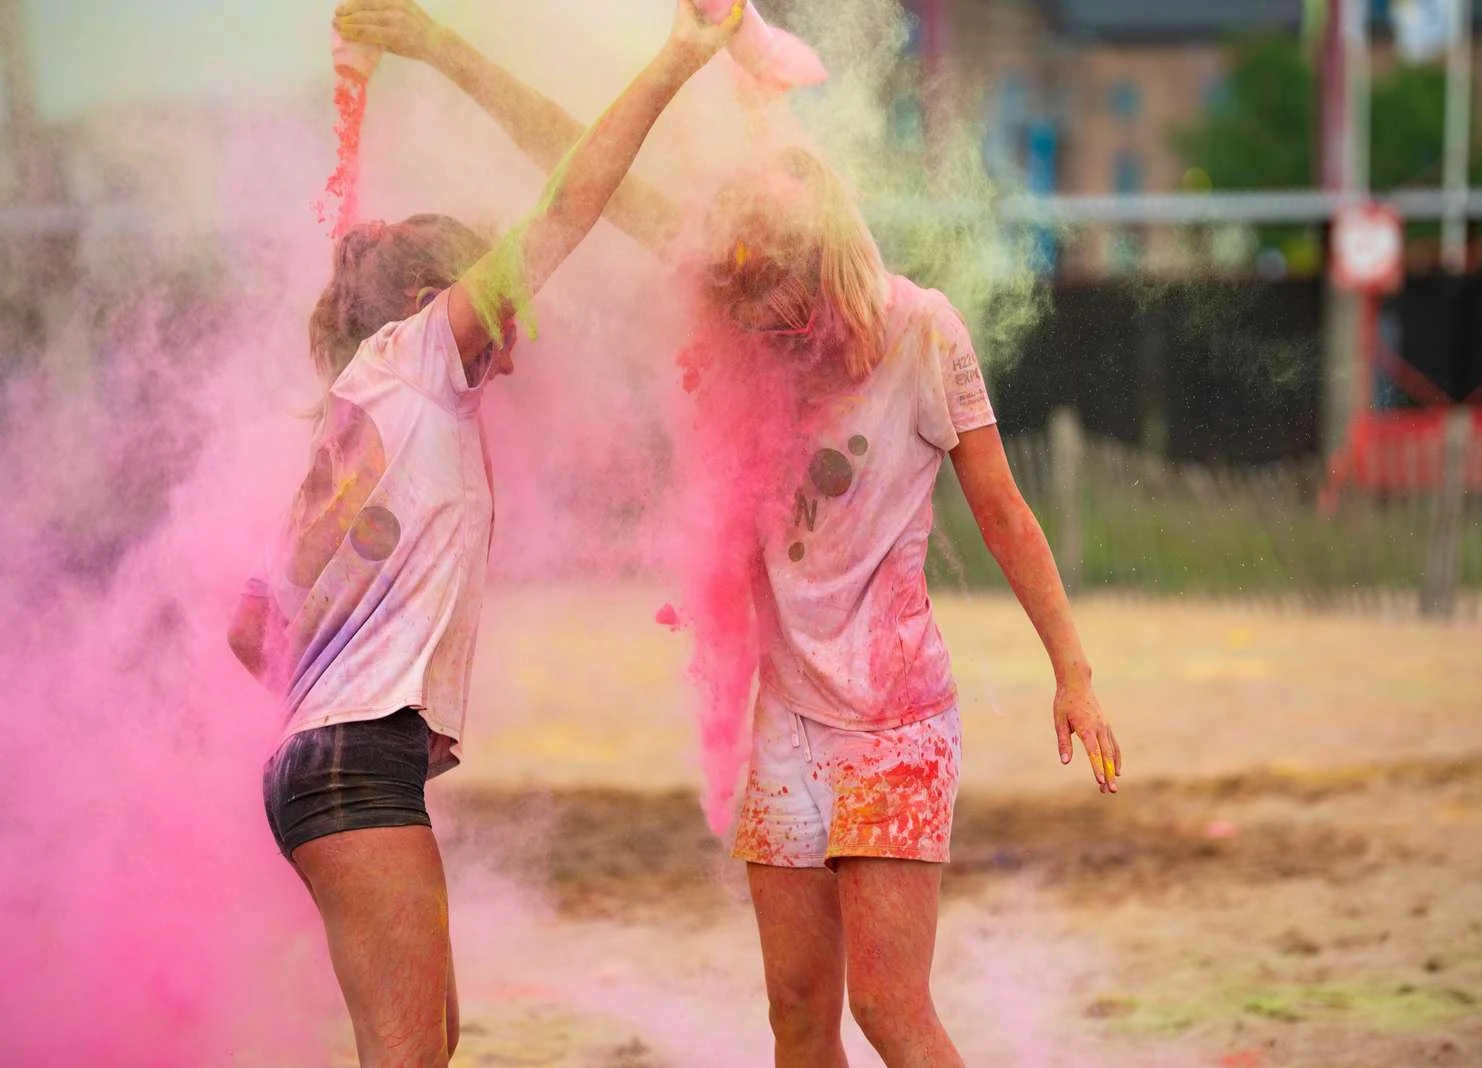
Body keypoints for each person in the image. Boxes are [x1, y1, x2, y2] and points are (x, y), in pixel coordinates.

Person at [337, 7, 1120, 1068]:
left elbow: (1003, 513)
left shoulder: (921, 331)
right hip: (785, 724)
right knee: (796, 1016)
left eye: (782, 313)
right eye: (743, 312)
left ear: (829, 267)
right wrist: (439, 49)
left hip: (894, 720)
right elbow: (575, 168)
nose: (761, 336)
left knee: (890, 1011)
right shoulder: (732, 287)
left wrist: (1071, 670)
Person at [226, 5, 744, 1066]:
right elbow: (571, 204)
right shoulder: (417, 357)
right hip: (355, 763)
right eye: (503, 315)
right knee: (412, 1055)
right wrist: (678, 60)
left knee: (429, 1043)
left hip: (338, 762)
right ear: (432, 300)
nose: (519, 345)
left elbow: (251, 630)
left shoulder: (362, 415)